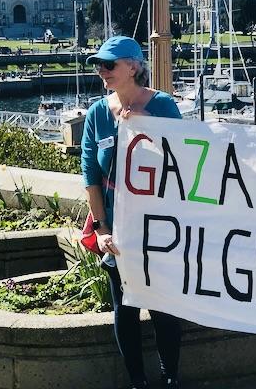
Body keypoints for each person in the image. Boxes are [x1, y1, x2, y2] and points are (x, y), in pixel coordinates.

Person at [81, 36, 183, 389]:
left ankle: (170, 377)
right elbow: (91, 177)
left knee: (163, 308)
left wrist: (145, 127)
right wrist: (101, 226)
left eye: (109, 65)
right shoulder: (96, 113)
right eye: (99, 65)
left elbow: (183, 164)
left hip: (158, 228)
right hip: (117, 232)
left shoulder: (163, 106)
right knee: (124, 310)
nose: (102, 71)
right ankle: (137, 382)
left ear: (134, 66)